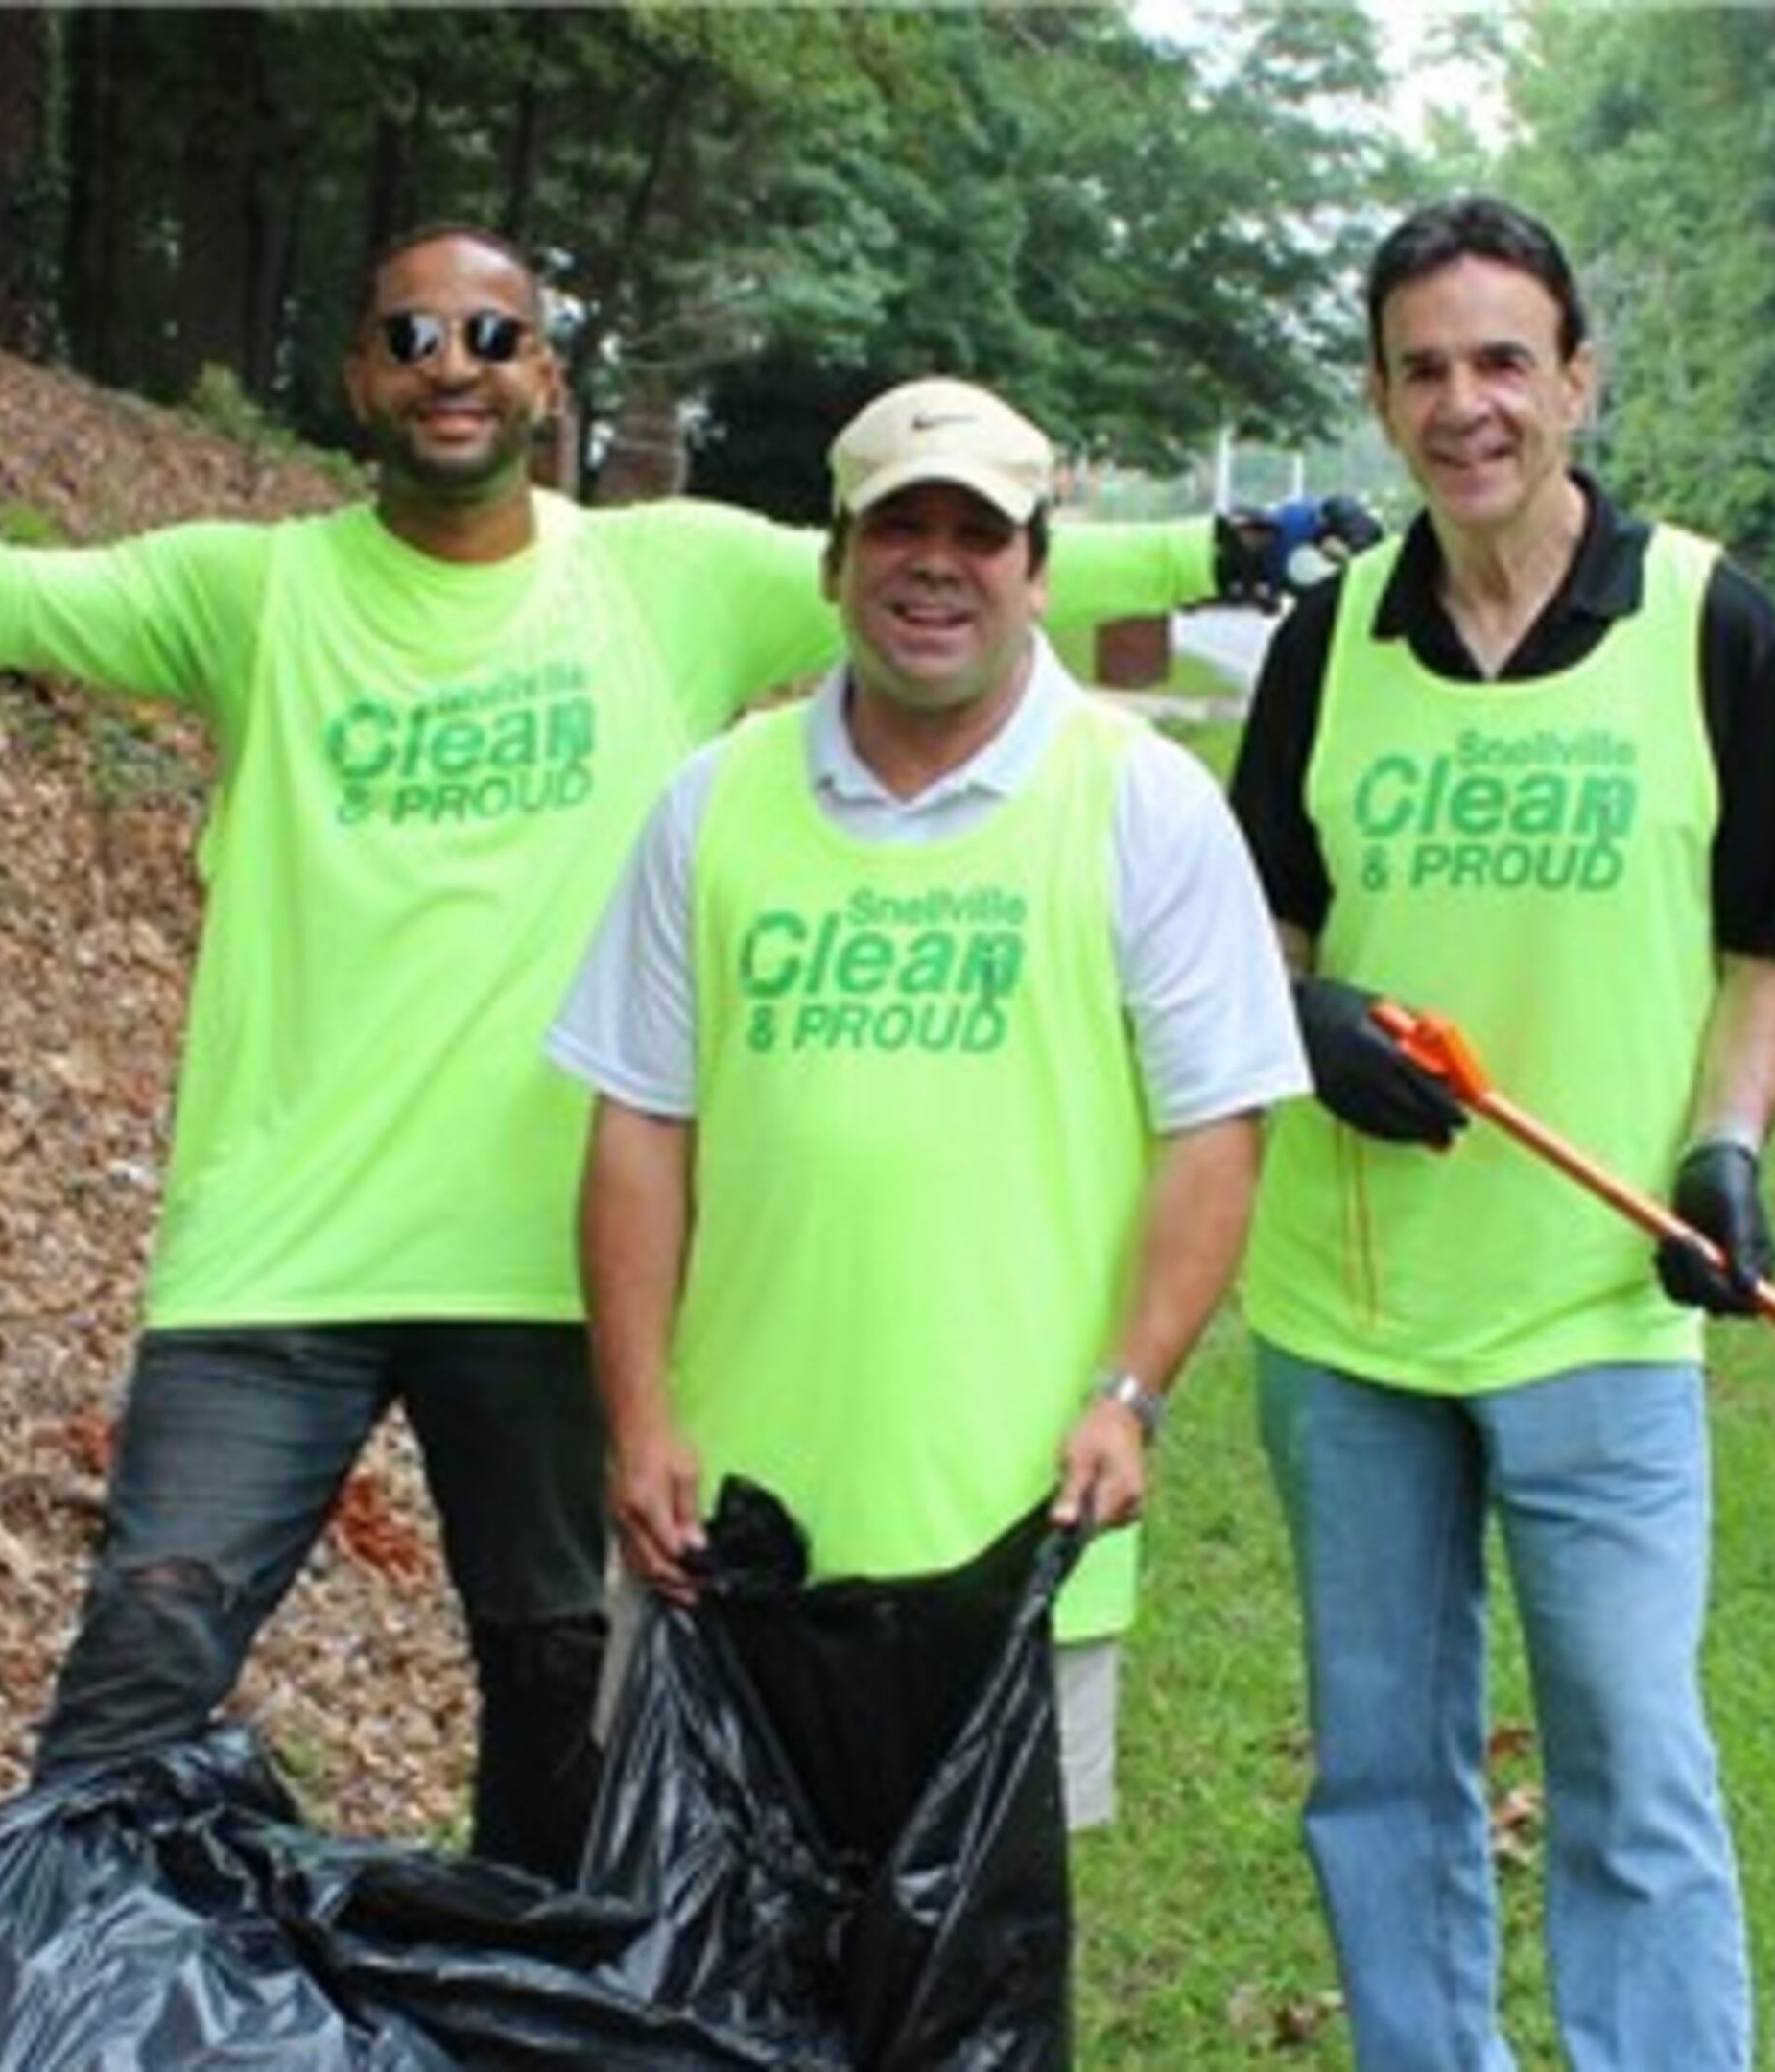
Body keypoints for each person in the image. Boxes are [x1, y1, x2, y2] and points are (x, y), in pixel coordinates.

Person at [0, 225, 1329, 1880]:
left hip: (547, 1267)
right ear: (359, 378)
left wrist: (1241, 547)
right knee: (138, 1672)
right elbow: (0, 596)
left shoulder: (667, 580)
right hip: (275, 1256)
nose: (452, 362)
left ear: (549, 379)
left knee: (564, 1716)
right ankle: (63, 1991)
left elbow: (965, 561)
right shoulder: (258, 593)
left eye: (494, 333)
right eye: (409, 334)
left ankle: (530, 2009)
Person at [1224, 196, 1775, 2072]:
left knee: (1632, 1774)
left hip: (1597, 1317)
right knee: (1384, 1774)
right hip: (1353, 1323)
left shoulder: (1710, 626)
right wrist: (1304, 1023)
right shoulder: (1328, 646)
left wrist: (1726, 1149)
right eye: (1424, 369)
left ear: (1578, 375)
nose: (1465, 405)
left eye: (1503, 360)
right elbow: (1255, 936)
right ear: (1381, 400)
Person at [551, 375, 1307, 1838]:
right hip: (723, 1522)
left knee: (962, 1989)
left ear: (1038, 573)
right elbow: (641, 1123)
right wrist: (635, 1416)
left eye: (980, 531)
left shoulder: (1140, 805)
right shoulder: (711, 804)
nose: (937, 564)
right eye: (900, 527)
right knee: (698, 1967)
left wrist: (1132, 1394)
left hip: (1011, 1525)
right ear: (836, 561)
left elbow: (1217, 1132)